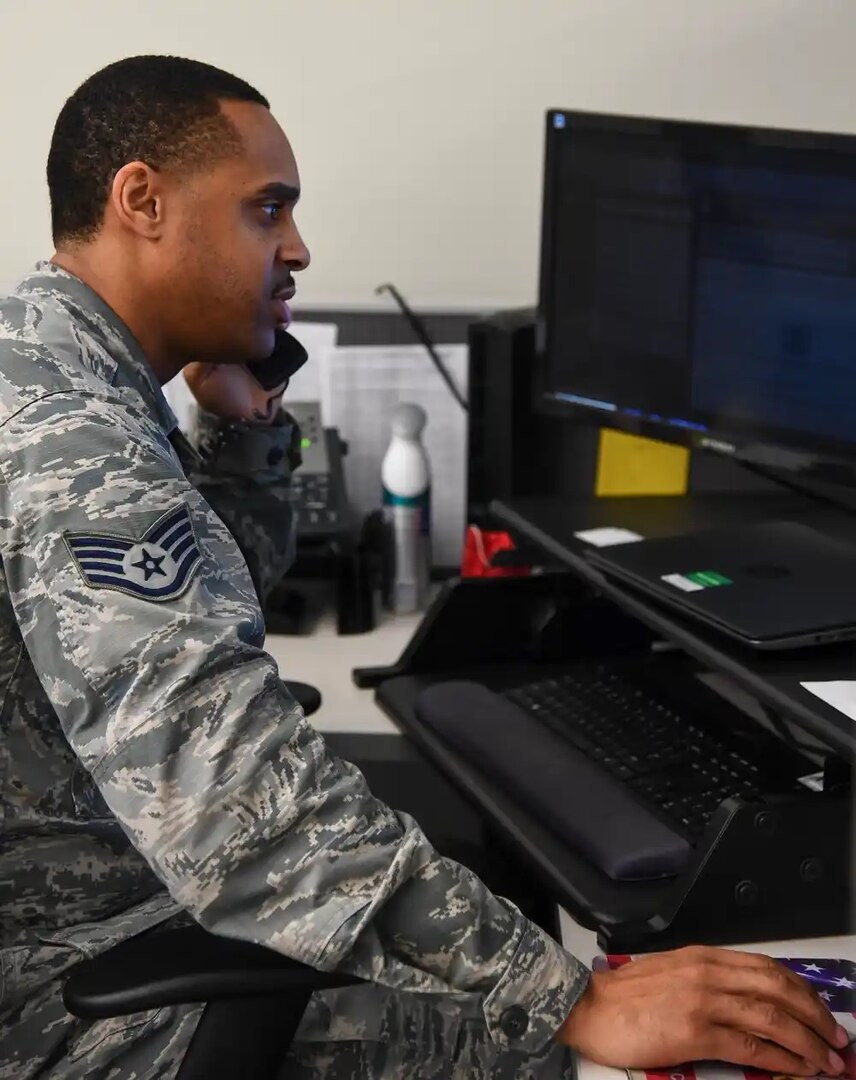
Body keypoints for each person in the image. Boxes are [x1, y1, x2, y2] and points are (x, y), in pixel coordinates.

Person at [0, 55, 847, 1080]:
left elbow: (203, 607)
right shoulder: (74, 444)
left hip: (112, 905)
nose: (297, 246)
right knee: (604, 1057)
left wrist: (249, 429)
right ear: (142, 199)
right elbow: (235, 810)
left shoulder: (52, 376)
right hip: (72, 995)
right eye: (267, 210)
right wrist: (569, 1000)